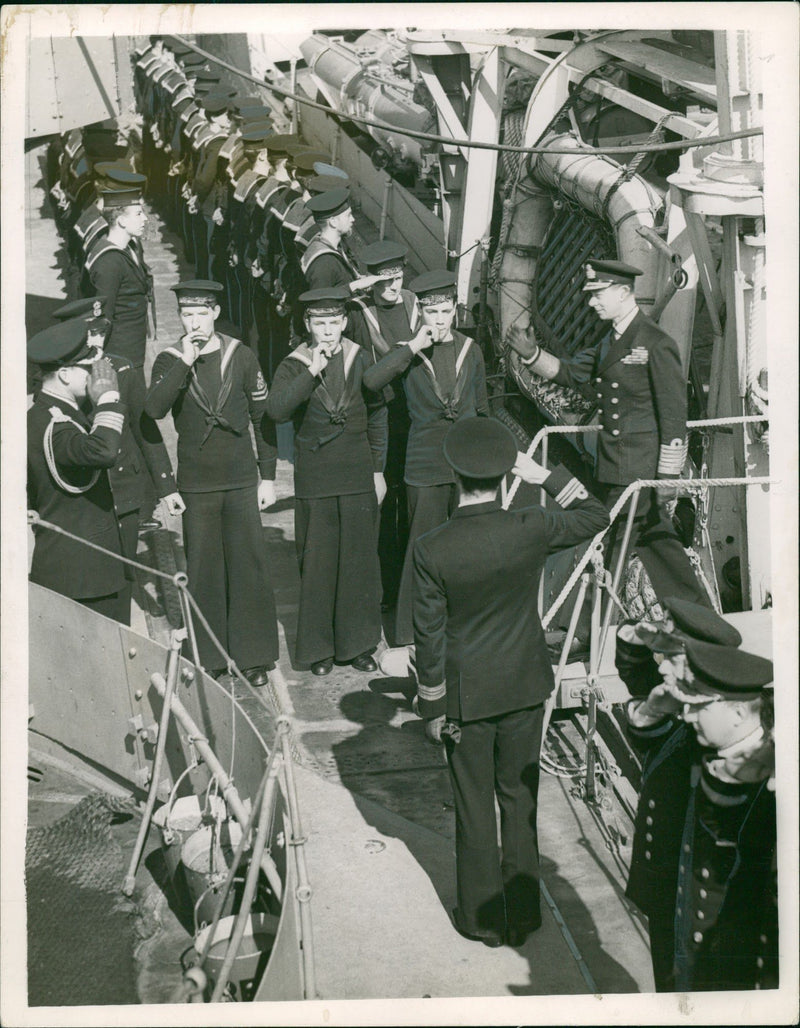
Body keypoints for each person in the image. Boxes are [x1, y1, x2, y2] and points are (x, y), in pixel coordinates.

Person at [413, 417, 610, 947]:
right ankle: (524, 915)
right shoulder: (532, 525)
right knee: (519, 800)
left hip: (465, 700)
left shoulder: (433, 548)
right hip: (525, 688)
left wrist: (432, 709)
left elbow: (429, 639)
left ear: (455, 476)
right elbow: (596, 514)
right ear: (506, 476)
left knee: (474, 806)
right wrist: (541, 474)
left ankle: (482, 921)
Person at [507, 258, 709, 608]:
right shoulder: (612, 341)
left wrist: (665, 483)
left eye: (599, 294)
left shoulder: (655, 343)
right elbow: (571, 372)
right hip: (613, 465)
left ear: (624, 292)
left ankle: (600, 635)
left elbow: (674, 420)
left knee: (613, 550)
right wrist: (532, 356)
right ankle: (697, 621)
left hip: (640, 473)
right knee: (655, 548)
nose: (592, 302)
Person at [620, 624, 777, 991]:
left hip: (729, 954)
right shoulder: (709, 736)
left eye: (697, 705)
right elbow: (651, 733)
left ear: (738, 714)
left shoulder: (769, 781)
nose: (687, 714)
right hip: (679, 914)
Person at [144, 280, 278, 685]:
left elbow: (261, 419)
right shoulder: (170, 360)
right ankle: (212, 658)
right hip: (197, 484)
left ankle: (253, 658)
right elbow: (153, 410)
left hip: (239, 480)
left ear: (216, 313)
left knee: (248, 565)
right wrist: (185, 361)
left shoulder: (241, 356)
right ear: (180, 317)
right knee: (203, 570)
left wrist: (267, 477)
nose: (195, 322)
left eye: (202, 313)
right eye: (188, 314)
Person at [362, 269, 489, 646]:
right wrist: (413, 346)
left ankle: (462, 629)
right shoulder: (409, 353)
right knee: (423, 548)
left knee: (466, 552)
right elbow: (371, 381)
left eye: (446, 312)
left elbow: (481, 411)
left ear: (454, 312)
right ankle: (407, 634)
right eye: (432, 313)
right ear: (422, 315)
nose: (439, 321)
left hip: (465, 468)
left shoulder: (471, 350)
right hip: (424, 466)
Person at [265, 287, 387, 677]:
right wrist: (311, 371)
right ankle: (319, 650)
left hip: (356, 473)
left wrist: (378, 469)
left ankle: (359, 644)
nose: (329, 332)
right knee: (317, 564)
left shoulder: (359, 357)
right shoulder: (294, 363)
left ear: (345, 323)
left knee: (358, 563)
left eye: (335, 323)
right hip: (316, 476)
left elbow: (378, 414)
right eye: (321, 324)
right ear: (308, 325)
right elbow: (277, 410)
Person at [27, 319, 130, 623]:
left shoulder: (46, 413)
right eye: (88, 368)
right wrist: (109, 398)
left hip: (79, 569)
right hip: (83, 575)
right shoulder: (56, 426)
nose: (94, 376)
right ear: (63, 374)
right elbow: (103, 451)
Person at [84, 174, 160, 528]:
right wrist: (104, 365)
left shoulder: (129, 247)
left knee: (136, 421)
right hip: (120, 357)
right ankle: (139, 507)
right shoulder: (110, 261)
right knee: (129, 424)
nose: (145, 218)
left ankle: (145, 503)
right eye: (138, 212)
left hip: (134, 352)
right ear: (120, 218)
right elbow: (103, 316)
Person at [347, 239, 419, 609]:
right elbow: (314, 309)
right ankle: (383, 589)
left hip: (413, 417)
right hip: (378, 417)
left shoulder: (412, 303)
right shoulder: (359, 311)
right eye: (384, 283)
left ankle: (404, 587)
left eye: (398, 279)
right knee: (381, 505)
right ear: (370, 282)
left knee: (408, 503)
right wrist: (352, 288)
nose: (393, 288)